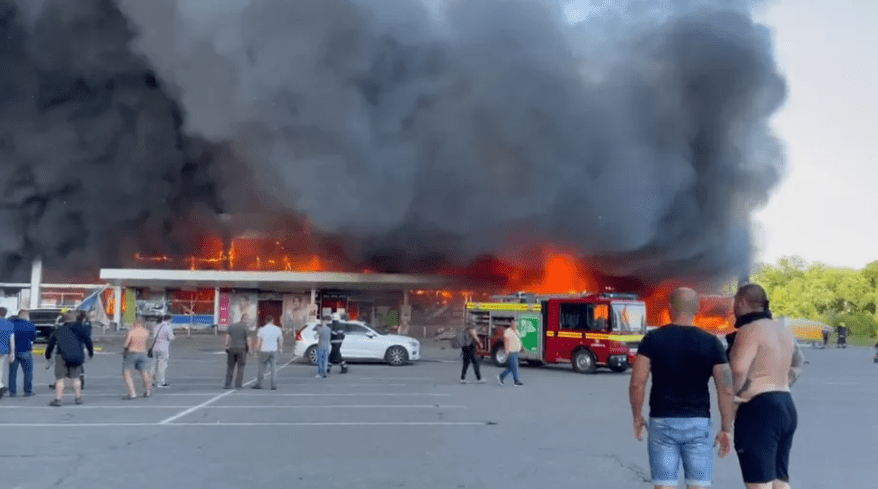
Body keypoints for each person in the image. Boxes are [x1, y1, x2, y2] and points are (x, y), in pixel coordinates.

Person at [629, 287, 734, 489]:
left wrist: (637, 417)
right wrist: (726, 429)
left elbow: (637, 383)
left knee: (664, 485)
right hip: (698, 423)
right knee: (698, 485)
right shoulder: (712, 343)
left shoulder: (653, 340)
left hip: (662, 422)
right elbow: (726, 389)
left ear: (669, 309)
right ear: (697, 310)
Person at [729, 283, 805, 489]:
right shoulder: (783, 330)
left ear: (742, 302)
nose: (734, 309)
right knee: (780, 480)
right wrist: (779, 383)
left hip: (759, 410)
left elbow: (738, 370)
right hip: (786, 405)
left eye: (735, 304)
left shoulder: (749, 330)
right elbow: (798, 363)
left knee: (759, 483)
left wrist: (736, 398)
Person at [45, 311, 93, 406]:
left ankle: (58, 399)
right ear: (74, 319)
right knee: (76, 378)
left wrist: (48, 355)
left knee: (60, 379)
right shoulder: (81, 328)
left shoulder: (59, 330)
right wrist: (90, 352)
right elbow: (88, 340)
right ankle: (78, 397)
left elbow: (51, 344)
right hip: (76, 355)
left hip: (61, 355)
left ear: (64, 320)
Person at [122, 318, 153, 399]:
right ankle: (148, 391)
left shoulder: (131, 331)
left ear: (135, 323)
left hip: (132, 353)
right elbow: (149, 343)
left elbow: (126, 344)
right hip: (143, 353)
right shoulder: (146, 332)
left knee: (127, 373)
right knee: (145, 373)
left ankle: (132, 393)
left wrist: (125, 351)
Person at [9, 309, 37, 397]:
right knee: (28, 372)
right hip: (26, 350)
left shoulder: (12, 323)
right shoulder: (30, 325)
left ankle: (12, 391)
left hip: (13, 351)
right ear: (27, 315)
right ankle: (27, 391)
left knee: (12, 372)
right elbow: (34, 338)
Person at [252, 316, 282, 390]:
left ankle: (259, 384)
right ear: (272, 320)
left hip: (264, 350)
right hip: (273, 350)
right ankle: (273, 385)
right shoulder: (277, 329)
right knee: (273, 369)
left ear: (266, 321)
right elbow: (280, 340)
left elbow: (258, 342)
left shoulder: (261, 329)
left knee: (261, 368)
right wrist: (280, 348)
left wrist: (255, 351)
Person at [224, 314, 251, 389]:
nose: (248, 321)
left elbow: (227, 335)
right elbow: (248, 340)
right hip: (241, 349)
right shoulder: (245, 327)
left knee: (230, 367)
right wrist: (250, 350)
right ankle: (238, 384)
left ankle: (227, 384)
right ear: (245, 319)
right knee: (240, 367)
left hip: (231, 348)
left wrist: (226, 345)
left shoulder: (232, 326)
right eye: (248, 319)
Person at [150, 315, 175, 388]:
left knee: (153, 366)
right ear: (168, 319)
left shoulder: (156, 326)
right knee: (162, 366)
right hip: (163, 348)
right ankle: (160, 382)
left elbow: (154, 336)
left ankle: (151, 381)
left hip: (155, 347)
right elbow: (171, 337)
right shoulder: (167, 327)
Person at [497, 319, 523, 386]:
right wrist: (506, 350)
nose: (516, 326)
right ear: (511, 325)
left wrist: (521, 347)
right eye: (514, 324)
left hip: (516, 351)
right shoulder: (508, 331)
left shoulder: (516, 331)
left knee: (511, 367)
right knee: (514, 366)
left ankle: (501, 376)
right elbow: (506, 340)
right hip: (511, 351)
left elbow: (518, 339)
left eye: (517, 324)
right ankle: (516, 381)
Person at [0, 307, 14, 399]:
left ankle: (1, 386)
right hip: (3, 350)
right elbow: (11, 340)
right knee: (1, 370)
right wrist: (12, 352)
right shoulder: (9, 324)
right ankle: (0, 386)